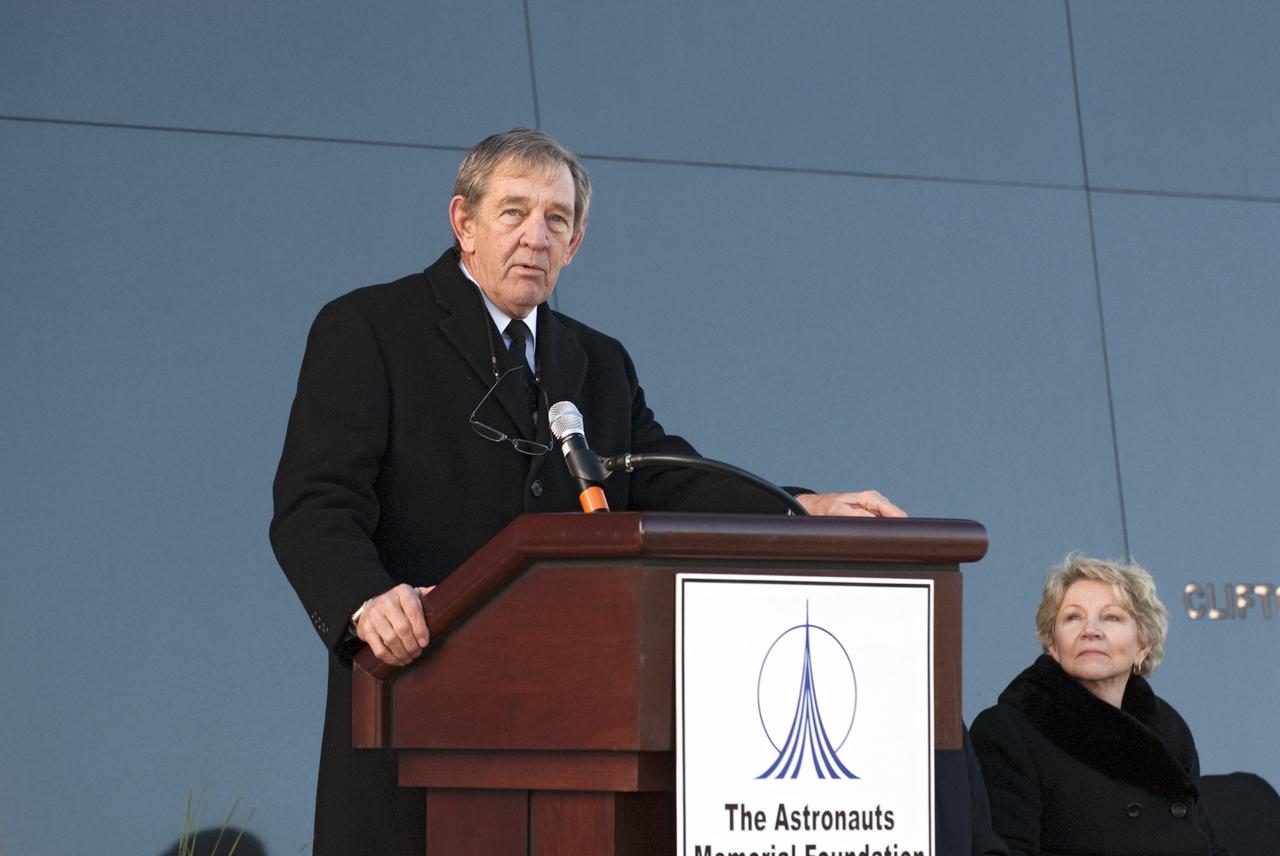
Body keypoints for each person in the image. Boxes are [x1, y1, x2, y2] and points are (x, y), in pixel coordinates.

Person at [269, 128, 905, 854]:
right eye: (513, 212)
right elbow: (316, 502)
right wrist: (366, 600)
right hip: (416, 701)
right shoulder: (372, 328)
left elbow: (661, 479)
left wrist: (802, 509)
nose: (535, 236)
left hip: (566, 732)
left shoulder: (596, 361)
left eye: (557, 220)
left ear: (574, 244)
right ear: (463, 222)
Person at [970, 554, 1229, 856]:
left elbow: (1206, 843)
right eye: (1073, 617)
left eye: (1111, 617)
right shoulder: (1007, 731)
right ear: (1052, 644)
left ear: (1143, 645)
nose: (1090, 630)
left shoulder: (1169, 729)